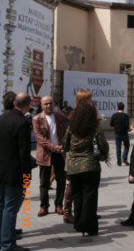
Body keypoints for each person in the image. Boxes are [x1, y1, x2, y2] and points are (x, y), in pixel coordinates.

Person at [63, 89, 109, 236]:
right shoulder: (94, 129)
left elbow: (64, 145)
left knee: (77, 195)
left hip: (74, 168)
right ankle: (90, 227)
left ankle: (78, 224)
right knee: (90, 197)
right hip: (90, 166)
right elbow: (104, 146)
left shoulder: (71, 128)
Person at [0, 92, 32, 251]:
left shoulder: (2, 118)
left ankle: (3, 240)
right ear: (28, 105)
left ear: (14, 104)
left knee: (2, 206)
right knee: (11, 208)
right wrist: (28, 173)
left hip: (1, 170)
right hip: (14, 173)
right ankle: (7, 245)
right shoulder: (22, 123)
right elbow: (23, 153)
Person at [33, 96, 68, 217]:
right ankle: (44, 206)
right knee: (44, 182)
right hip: (45, 154)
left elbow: (66, 132)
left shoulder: (60, 117)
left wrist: (64, 146)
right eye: (46, 104)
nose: (48, 105)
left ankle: (59, 205)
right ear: (41, 106)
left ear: (54, 104)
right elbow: (40, 139)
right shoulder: (37, 119)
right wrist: (54, 147)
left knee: (61, 180)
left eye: (50, 103)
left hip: (60, 154)